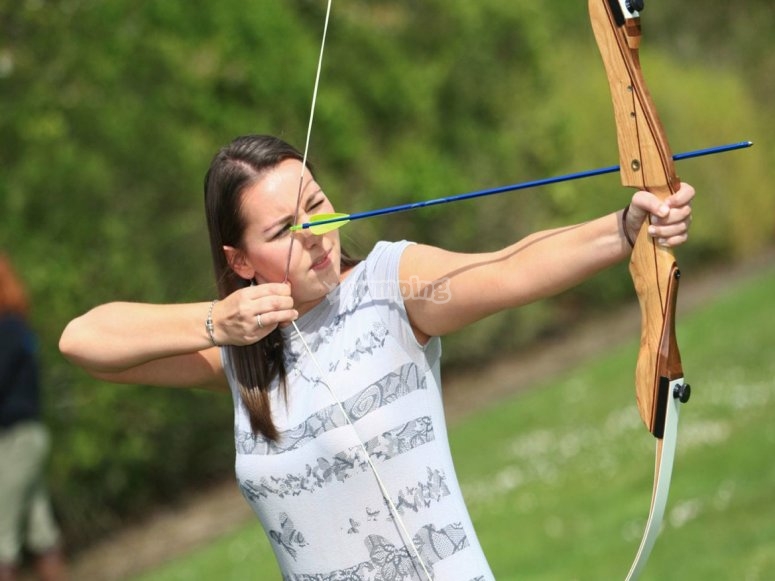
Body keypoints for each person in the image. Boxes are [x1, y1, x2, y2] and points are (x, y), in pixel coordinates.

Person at [59, 134, 694, 580]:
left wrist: (624, 229)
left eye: (316, 205)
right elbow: (83, 340)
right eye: (284, 230)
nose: (317, 234)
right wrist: (214, 323)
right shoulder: (241, 353)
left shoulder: (393, 286)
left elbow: (509, 268)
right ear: (240, 261)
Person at [0, 254, 68, 581]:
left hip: (16, 440)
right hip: (26, 438)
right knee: (41, 534)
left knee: (2, 545)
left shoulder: (8, 330)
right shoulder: (18, 329)